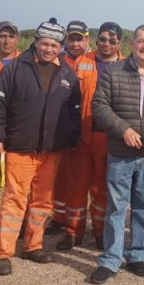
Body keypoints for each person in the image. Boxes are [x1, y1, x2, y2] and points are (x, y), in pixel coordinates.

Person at [0, 19, 82, 276]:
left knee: (42, 201)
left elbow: (73, 112)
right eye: (44, 43)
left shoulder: (67, 74)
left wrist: (71, 139)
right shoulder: (16, 68)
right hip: (20, 147)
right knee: (13, 200)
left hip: (51, 150)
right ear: (36, 42)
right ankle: (3, 253)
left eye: (54, 45)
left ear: (60, 46)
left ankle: (32, 245)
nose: (49, 49)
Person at [89, 24, 144, 284]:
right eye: (141, 41)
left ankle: (137, 255)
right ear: (132, 44)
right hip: (120, 152)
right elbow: (99, 106)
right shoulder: (113, 72)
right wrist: (123, 129)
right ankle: (110, 259)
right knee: (116, 208)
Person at [56, 22, 125, 251]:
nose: (106, 44)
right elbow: (67, 99)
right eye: (103, 39)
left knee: (102, 188)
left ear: (119, 43)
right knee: (76, 186)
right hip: (82, 136)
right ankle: (72, 232)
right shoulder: (82, 62)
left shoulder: (127, 66)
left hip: (110, 138)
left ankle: (99, 232)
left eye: (112, 40)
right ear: (96, 40)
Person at [47, 20, 92, 237]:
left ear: (87, 39)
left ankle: (80, 227)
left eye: (79, 38)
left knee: (80, 182)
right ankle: (58, 218)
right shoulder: (55, 60)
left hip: (86, 130)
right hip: (58, 130)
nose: (75, 43)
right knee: (59, 180)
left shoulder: (95, 61)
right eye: (72, 38)